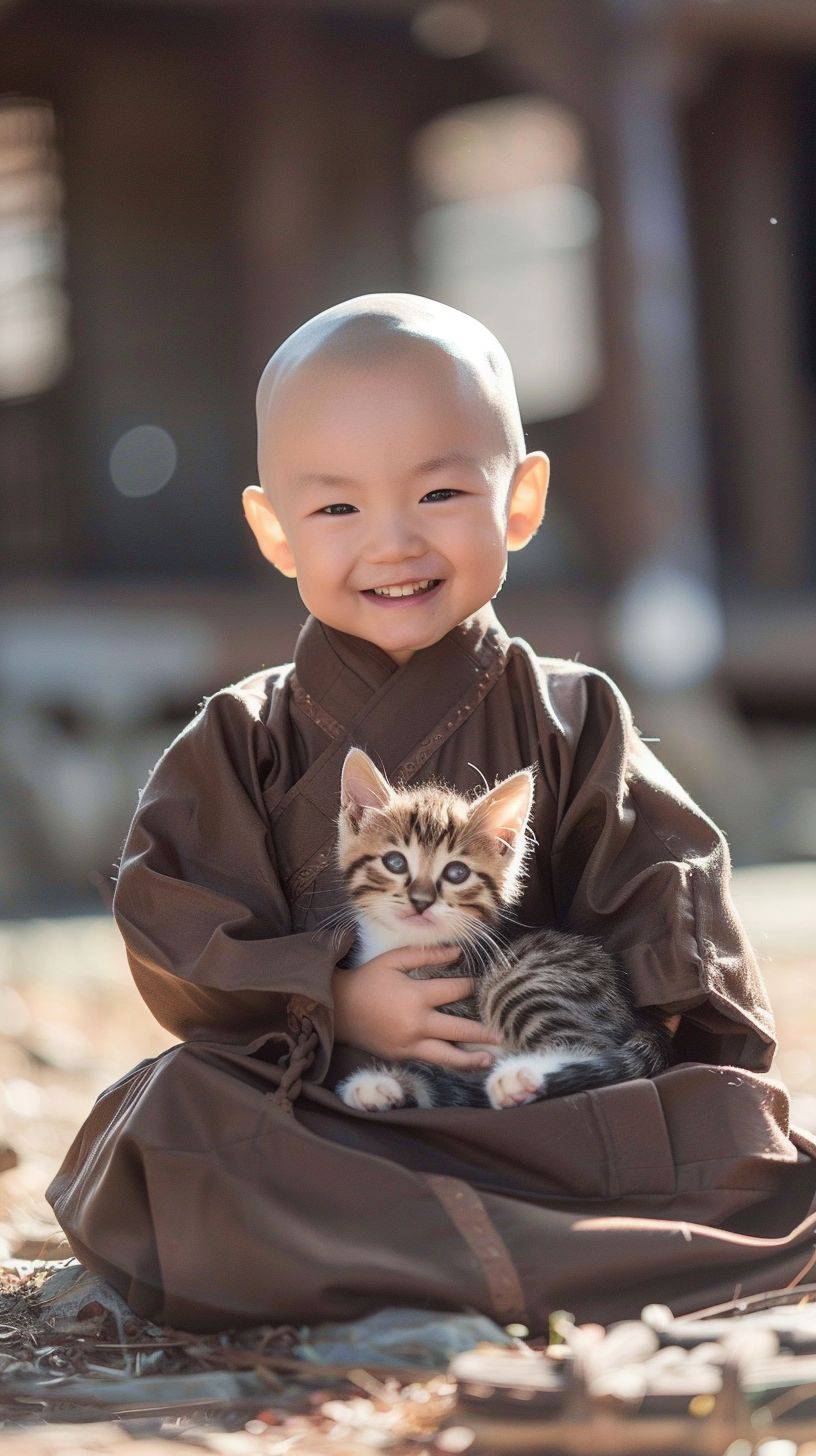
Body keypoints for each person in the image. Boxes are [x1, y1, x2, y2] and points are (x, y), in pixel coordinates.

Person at [45, 294, 816, 1335]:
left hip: (537, 1103)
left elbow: (665, 900)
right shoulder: (244, 732)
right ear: (273, 531)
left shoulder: (574, 711)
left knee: (720, 1124)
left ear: (522, 500)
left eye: (442, 491)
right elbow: (176, 920)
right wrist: (334, 997)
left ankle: (387, 1264)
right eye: (336, 510)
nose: (394, 542)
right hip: (331, 1102)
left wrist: (676, 1052)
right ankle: (561, 1262)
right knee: (180, 1116)